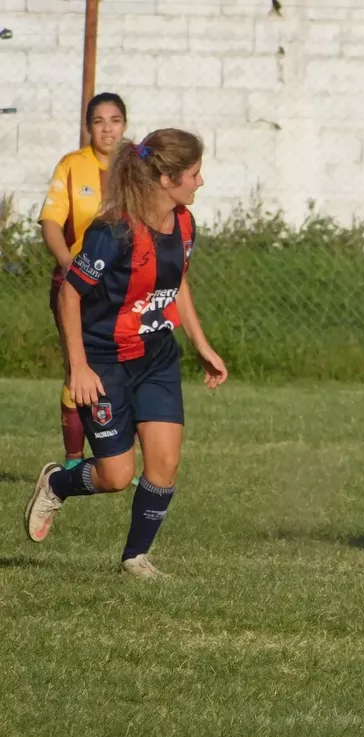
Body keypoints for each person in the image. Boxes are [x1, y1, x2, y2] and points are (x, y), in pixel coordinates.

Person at [23, 128, 228, 578]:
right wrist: (78, 366)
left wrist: (202, 344)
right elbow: (70, 296)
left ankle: (135, 557)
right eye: (194, 174)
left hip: (156, 357)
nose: (200, 182)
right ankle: (57, 482)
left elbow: (177, 285)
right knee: (116, 476)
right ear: (168, 178)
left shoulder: (184, 223)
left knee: (165, 462)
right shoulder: (112, 231)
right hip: (105, 362)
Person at [39, 93, 128, 471]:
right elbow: (51, 222)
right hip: (79, 285)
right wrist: (66, 262)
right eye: (98, 121)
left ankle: (124, 456)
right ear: (87, 126)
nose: (107, 128)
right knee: (79, 365)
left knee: (129, 367)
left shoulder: (137, 163)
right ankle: (74, 460)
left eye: (115, 120)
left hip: (125, 285)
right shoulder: (73, 165)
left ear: (124, 124)